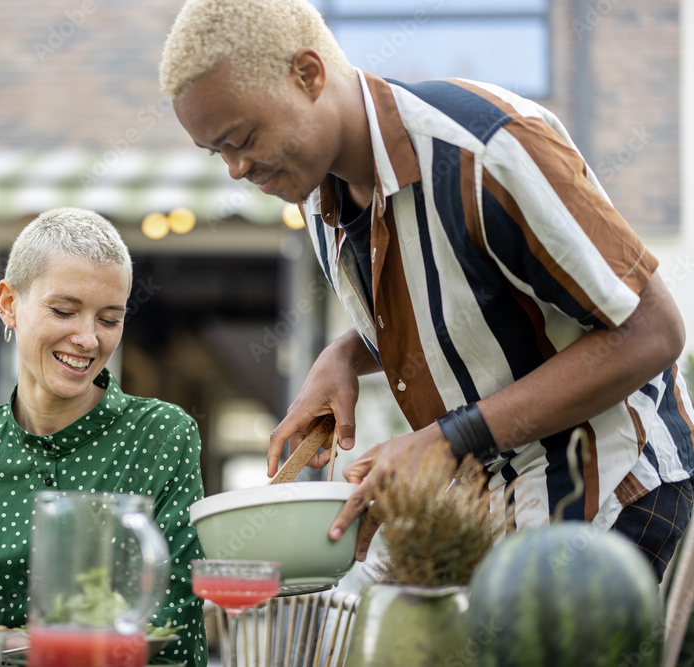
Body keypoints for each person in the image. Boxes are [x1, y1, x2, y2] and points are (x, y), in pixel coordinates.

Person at [159, 0, 694, 580]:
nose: (236, 169)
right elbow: (471, 303)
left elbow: (653, 331)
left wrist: (448, 440)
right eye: (219, 153)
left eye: (242, 138)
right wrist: (343, 353)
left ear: (308, 74)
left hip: (625, 504)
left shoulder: (487, 152)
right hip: (505, 526)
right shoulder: (314, 195)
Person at [0, 207, 208, 666]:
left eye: (109, 319)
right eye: (64, 310)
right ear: (8, 304)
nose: (88, 338)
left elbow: (171, 629)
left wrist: (4, 644)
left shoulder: (161, 436)